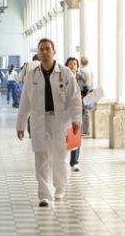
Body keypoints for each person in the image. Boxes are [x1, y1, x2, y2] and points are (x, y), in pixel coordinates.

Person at [16, 38, 82, 207]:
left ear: (54, 51)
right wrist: (21, 125)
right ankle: (45, 194)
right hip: (40, 121)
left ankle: (59, 188)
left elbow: (75, 98)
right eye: (41, 49)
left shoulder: (66, 73)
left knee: (61, 157)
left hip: (61, 121)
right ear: (38, 53)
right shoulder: (32, 75)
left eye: (47, 49)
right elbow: (25, 102)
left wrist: (77, 120)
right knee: (41, 157)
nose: (44, 52)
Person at [65, 57, 85, 172]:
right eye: (70, 63)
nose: (73, 65)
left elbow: (84, 91)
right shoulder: (62, 78)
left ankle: (74, 162)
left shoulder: (80, 78)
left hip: (77, 110)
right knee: (63, 137)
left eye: (75, 64)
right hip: (64, 111)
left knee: (75, 135)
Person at [79, 57, 95, 134]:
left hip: (84, 91)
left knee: (85, 111)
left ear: (81, 62)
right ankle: (87, 130)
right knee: (87, 111)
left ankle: (85, 130)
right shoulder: (90, 71)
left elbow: (81, 82)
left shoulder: (82, 71)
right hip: (90, 90)